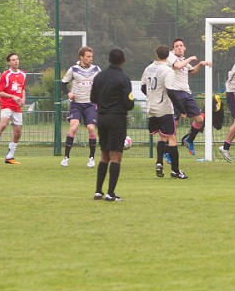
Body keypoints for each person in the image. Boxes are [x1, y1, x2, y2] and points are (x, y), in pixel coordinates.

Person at [90, 49, 135, 201]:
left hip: (101, 118)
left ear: (109, 60)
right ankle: (110, 193)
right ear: (123, 60)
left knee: (104, 154)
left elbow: (93, 98)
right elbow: (129, 104)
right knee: (116, 156)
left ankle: (98, 191)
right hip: (117, 119)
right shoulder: (123, 79)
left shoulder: (99, 77)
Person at [142, 45, 187, 180]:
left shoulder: (148, 68)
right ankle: (175, 170)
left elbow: (144, 87)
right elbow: (171, 92)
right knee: (172, 137)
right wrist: (182, 109)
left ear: (156, 54)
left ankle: (159, 162)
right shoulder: (167, 71)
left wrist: (152, 96)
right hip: (164, 108)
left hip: (151, 108)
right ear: (168, 55)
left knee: (162, 137)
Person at [167, 38, 211, 157]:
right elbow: (177, 66)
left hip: (187, 93)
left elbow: (192, 71)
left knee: (200, 119)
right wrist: (190, 58)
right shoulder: (171, 57)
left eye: (181, 45)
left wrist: (200, 64)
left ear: (185, 47)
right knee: (174, 125)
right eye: (177, 46)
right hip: (175, 94)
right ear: (173, 49)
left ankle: (189, 140)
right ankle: (167, 152)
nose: (179, 47)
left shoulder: (184, 61)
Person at [61, 46, 101, 168]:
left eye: (91, 56)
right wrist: (69, 93)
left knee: (91, 129)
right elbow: (63, 83)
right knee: (74, 127)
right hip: (76, 104)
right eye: (88, 56)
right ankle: (66, 157)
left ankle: (91, 158)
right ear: (81, 57)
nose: (90, 59)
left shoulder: (96, 69)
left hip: (90, 104)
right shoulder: (73, 69)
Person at [0, 53, 27, 165]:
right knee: (3, 124)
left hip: (17, 107)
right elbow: (0, 91)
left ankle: (10, 156)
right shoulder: (5, 75)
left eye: (17, 59)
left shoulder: (23, 74)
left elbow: (23, 88)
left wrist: (23, 99)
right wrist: (12, 96)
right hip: (6, 104)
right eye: (13, 60)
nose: (16, 61)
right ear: (9, 62)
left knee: (18, 133)